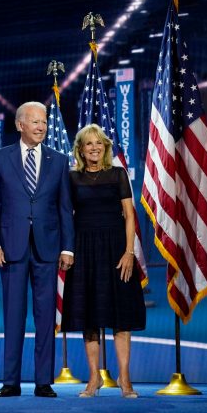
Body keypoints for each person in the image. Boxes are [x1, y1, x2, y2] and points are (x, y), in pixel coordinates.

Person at [0, 101, 74, 398]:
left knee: (46, 317)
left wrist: (68, 248)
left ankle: (43, 381)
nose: (41, 127)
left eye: (44, 122)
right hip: (11, 249)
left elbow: (64, 208)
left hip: (48, 249)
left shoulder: (58, 160)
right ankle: (11, 381)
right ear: (20, 125)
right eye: (35, 122)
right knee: (13, 315)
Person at [62, 123, 145, 398]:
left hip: (116, 252)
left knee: (121, 317)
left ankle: (125, 379)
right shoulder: (72, 179)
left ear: (105, 147)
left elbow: (130, 216)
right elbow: (65, 216)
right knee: (89, 317)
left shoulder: (118, 174)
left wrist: (129, 252)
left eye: (99, 143)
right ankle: (93, 379)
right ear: (81, 150)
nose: (95, 148)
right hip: (84, 251)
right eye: (89, 144)